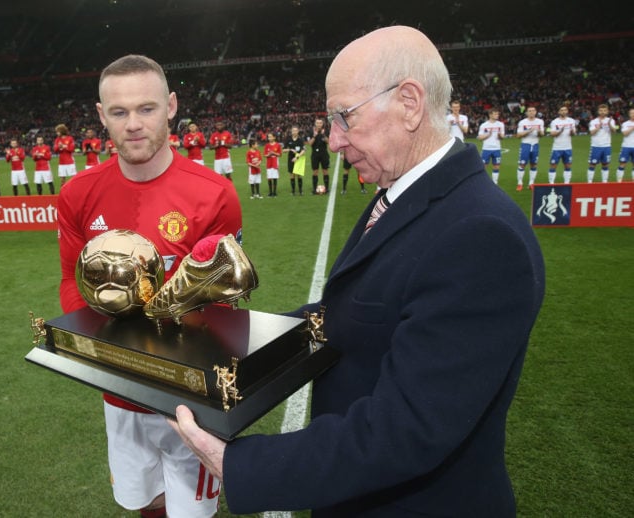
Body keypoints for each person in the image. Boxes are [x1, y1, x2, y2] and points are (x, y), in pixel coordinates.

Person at [170, 26, 545, 517]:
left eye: (343, 117)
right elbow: (347, 316)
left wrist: (239, 464)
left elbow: (408, 429)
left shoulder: (481, 235)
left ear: (409, 102)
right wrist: (213, 336)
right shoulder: (404, 197)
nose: (333, 139)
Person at [57, 54, 242, 518]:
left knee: (192, 512)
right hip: (119, 392)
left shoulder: (214, 194)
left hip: (188, 397)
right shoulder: (78, 193)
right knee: (146, 505)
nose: (133, 124)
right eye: (119, 112)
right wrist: (113, 354)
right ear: (101, 116)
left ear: (172, 105)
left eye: (147, 108)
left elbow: (224, 303)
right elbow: (70, 282)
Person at [515, 106, 544, 190]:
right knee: (522, 164)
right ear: (527, 113)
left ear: (535, 112)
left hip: (535, 144)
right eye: (529, 111)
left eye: (533, 110)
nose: (531, 112)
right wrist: (529, 130)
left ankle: (531, 183)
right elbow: (518, 135)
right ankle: (520, 183)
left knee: (534, 164)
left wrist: (538, 131)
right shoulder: (522, 122)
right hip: (525, 145)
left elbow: (542, 135)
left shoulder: (540, 122)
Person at [586, 103, 617, 183]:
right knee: (592, 164)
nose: (603, 112)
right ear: (598, 111)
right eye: (601, 110)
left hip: (606, 146)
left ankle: (604, 181)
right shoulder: (593, 121)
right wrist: (598, 126)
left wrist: (609, 124)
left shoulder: (611, 121)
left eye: (604, 110)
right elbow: (592, 133)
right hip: (596, 146)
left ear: (607, 111)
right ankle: (589, 182)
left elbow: (614, 131)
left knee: (605, 164)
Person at [548, 105, 577, 184]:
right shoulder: (555, 122)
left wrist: (572, 132)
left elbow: (574, 133)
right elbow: (552, 134)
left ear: (567, 111)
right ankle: (551, 183)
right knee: (553, 165)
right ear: (559, 112)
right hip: (557, 147)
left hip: (568, 147)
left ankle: (567, 183)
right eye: (562, 110)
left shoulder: (571, 121)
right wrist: (560, 131)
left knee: (568, 165)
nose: (563, 111)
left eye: (565, 110)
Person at [477, 108, 505, 184]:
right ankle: (483, 182)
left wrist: (500, 135)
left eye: (498, 114)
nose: (497, 115)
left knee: (496, 166)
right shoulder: (484, 125)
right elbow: (480, 137)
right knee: (484, 167)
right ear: (490, 115)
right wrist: (488, 135)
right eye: (495, 114)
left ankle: (495, 182)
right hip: (486, 149)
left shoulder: (500, 124)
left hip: (497, 148)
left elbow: (502, 137)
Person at [308, 118, 330, 194]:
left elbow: (328, 142)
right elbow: (310, 143)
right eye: (317, 123)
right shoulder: (311, 131)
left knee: (325, 171)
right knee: (315, 172)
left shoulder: (326, 131)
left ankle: (327, 189)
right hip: (315, 154)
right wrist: (314, 135)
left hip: (324, 154)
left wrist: (323, 135)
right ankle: (314, 189)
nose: (319, 124)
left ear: (322, 124)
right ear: (315, 123)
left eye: (320, 123)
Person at [284, 125, 305, 195]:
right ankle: (293, 191)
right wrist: (290, 149)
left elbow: (303, 150)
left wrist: (297, 157)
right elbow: (283, 150)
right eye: (293, 131)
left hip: (298, 159)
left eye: (296, 131)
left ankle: (300, 191)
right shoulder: (288, 139)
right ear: (291, 131)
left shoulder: (300, 140)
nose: (294, 132)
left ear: (298, 131)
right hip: (290, 159)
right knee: (292, 175)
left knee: (299, 175)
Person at [616, 107, 634, 182]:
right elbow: (625, 133)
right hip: (626, 146)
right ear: (629, 114)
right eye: (632, 113)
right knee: (622, 163)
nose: (633, 114)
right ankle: (619, 181)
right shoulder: (625, 124)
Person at [263, 131, 281, 197]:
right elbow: (264, 155)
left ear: (274, 137)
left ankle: (274, 192)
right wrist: (269, 154)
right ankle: (270, 192)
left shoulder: (278, 145)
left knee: (275, 177)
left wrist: (274, 153)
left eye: (270, 137)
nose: (269, 138)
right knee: (269, 178)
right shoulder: (267, 145)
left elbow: (279, 154)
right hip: (269, 163)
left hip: (275, 163)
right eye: (268, 137)